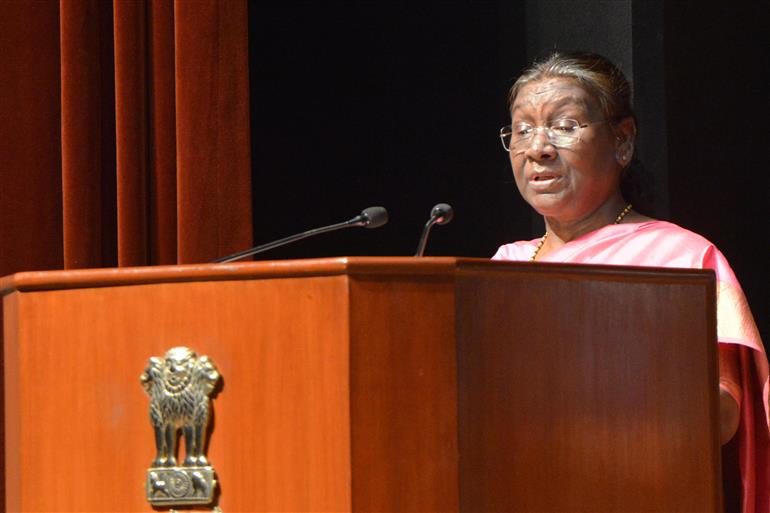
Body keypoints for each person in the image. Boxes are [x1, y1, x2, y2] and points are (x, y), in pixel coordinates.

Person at [493, 51, 768, 513]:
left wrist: (610, 392)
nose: (537, 147)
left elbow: (724, 414)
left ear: (622, 140)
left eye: (564, 125)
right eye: (521, 130)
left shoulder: (678, 256)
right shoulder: (502, 266)